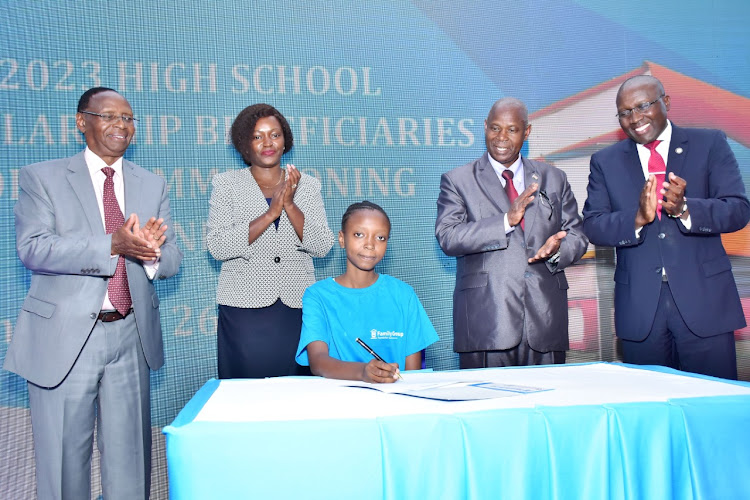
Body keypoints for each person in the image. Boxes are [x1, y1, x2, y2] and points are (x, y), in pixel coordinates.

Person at [3, 87, 182, 498]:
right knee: (64, 462)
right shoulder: (42, 177)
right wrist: (112, 245)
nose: (121, 125)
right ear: (82, 121)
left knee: (131, 463)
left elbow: (173, 258)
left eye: (128, 118)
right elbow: (33, 247)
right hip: (64, 340)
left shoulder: (151, 184)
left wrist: (151, 254)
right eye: (110, 116)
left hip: (130, 336)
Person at [583, 75, 750, 380]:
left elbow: (738, 210)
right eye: (625, 113)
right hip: (640, 312)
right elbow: (593, 225)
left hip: (705, 304)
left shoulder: (709, 143)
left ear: (666, 102)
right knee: (650, 410)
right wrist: (635, 219)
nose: (635, 119)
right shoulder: (605, 161)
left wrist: (687, 210)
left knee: (711, 408)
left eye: (643, 106)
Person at [435, 97, 588, 369]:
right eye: (495, 128)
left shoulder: (554, 178)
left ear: (526, 132)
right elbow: (448, 236)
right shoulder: (458, 180)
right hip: (487, 323)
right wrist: (505, 221)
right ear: (484, 127)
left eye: (512, 129)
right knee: (489, 409)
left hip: (545, 319)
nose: (501, 137)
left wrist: (557, 252)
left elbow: (577, 236)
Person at [207, 103, 334, 379]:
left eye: (275, 135)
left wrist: (290, 205)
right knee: (248, 397)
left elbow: (323, 246)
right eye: (257, 136)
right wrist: (270, 214)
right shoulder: (226, 184)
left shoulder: (308, 186)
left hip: (296, 308)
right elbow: (217, 246)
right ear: (244, 143)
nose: (268, 143)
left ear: (285, 139)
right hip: (244, 310)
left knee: (297, 394)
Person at [296, 201, 439, 383]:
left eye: (380, 238)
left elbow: (412, 375)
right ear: (342, 239)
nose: (370, 245)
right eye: (359, 234)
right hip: (339, 401)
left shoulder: (404, 294)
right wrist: (363, 372)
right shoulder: (317, 295)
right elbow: (318, 362)